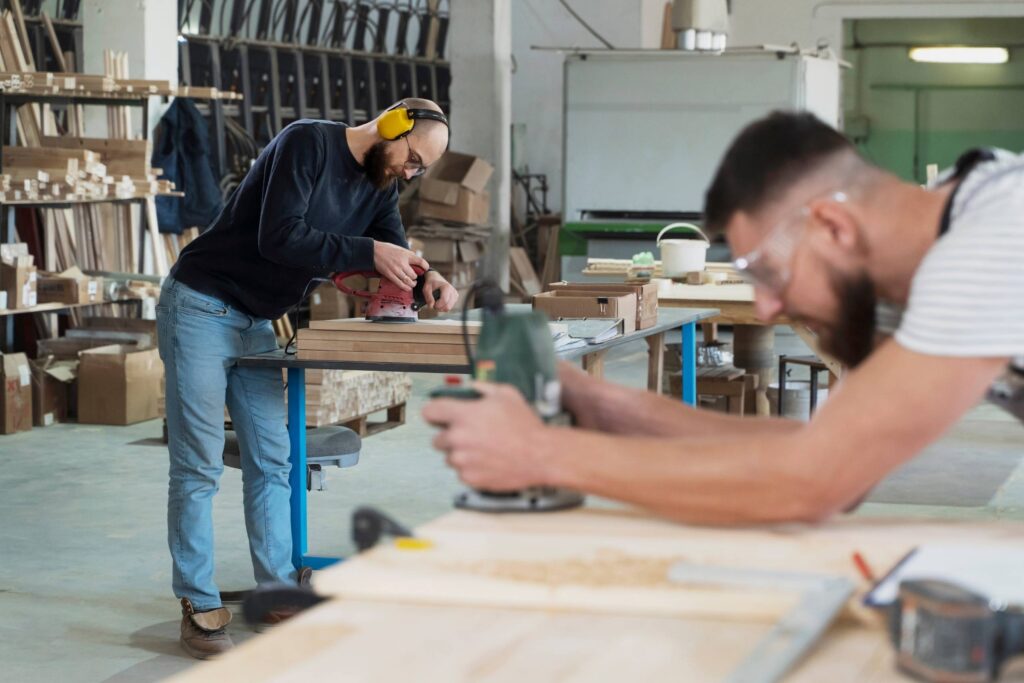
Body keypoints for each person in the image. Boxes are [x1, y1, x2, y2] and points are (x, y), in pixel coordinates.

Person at [424, 111, 1023, 528]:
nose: (764, 309)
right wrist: (609, 409)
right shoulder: (958, 223)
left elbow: (817, 482)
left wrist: (541, 455)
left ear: (833, 228)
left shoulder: (990, 240)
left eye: (767, 272)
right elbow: (831, 454)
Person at [159, 97, 457, 659]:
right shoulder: (307, 143)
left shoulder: (381, 185)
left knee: (274, 458)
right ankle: (199, 605)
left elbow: (393, 246)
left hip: (257, 321)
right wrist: (369, 249)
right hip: (200, 305)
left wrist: (427, 277)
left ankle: (273, 591)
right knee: (197, 463)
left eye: (421, 170)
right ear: (392, 126)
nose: (411, 173)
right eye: (412, 159)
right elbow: (281, 236)